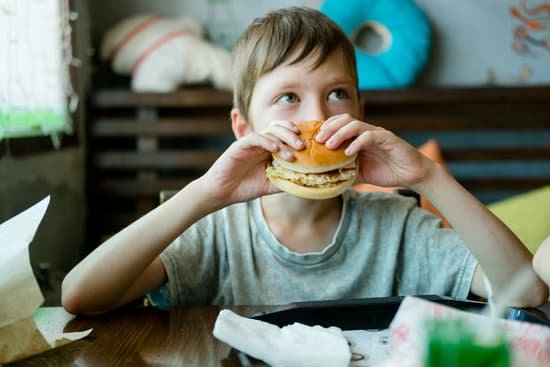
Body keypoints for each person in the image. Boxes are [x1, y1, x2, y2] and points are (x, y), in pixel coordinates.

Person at [62, 7, 547, 314]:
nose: (318, 118)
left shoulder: (398, 226)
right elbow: (80, 296)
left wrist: (429, 177)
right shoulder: (217, 232)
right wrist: (206, 193)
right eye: (288, 98)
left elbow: (526, 292)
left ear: (360, 112)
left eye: (337, 94)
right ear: (244, 129)